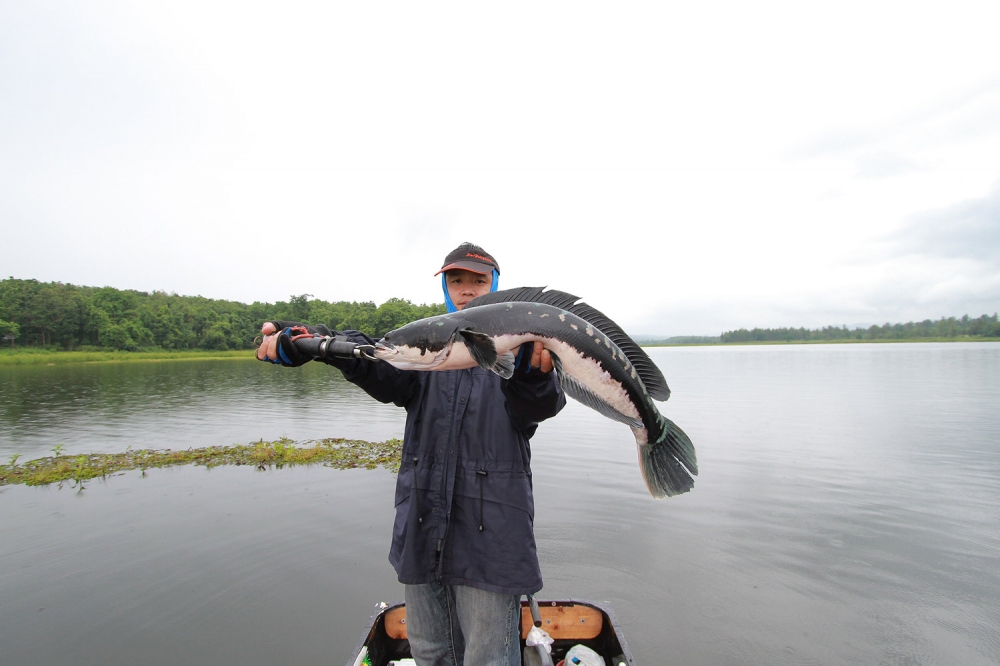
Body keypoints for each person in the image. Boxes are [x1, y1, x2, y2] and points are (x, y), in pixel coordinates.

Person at [256, 243, 565, 666]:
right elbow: (370, 357)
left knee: (489, 657)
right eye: (457, 280)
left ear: (495, 285)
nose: (467, 290)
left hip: (493, 538)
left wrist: (532, 379)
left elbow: (540, 406)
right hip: (422, 529)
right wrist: (314, 342)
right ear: (444, 287)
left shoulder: (521, 353)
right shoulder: (419, 353)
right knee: (430, 653)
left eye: (478, 280)